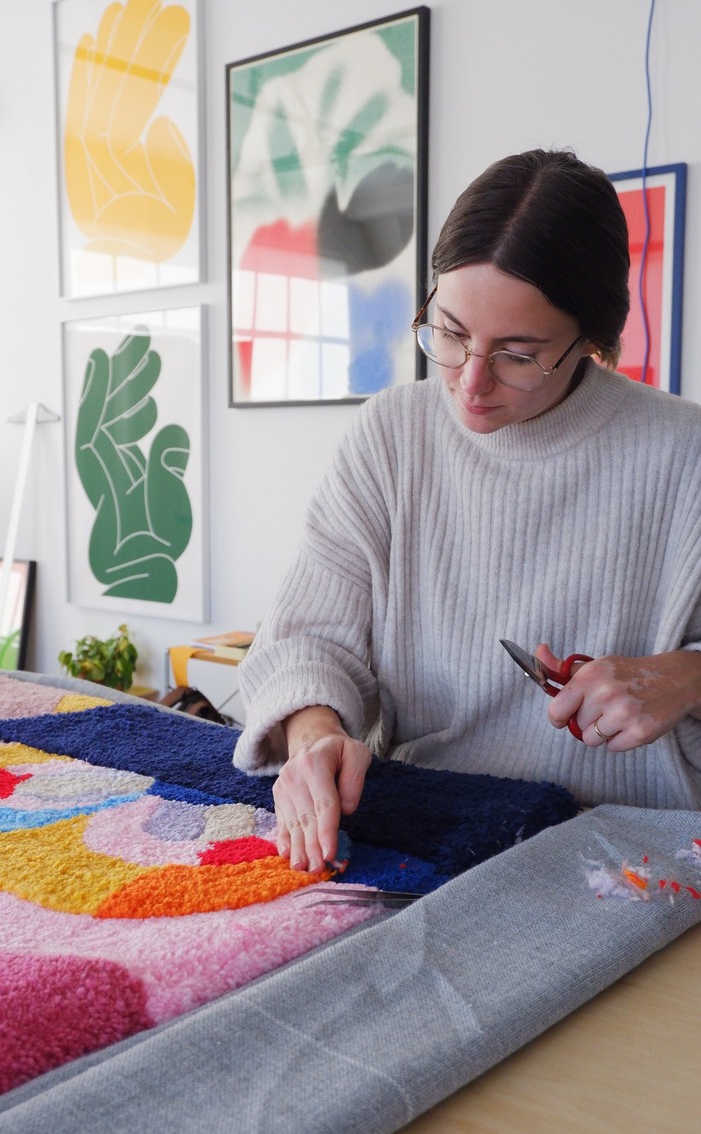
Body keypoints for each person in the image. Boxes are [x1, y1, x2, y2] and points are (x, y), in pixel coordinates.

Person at [233, 148, 701, 874]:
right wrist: (314, 735)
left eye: (519, 354)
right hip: (430, 829)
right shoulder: (391, 434)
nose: (470, 384)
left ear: (593, 342)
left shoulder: (684, 451)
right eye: (449, 333)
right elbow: (304, 640)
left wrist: (685, 677)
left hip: (641, 851)